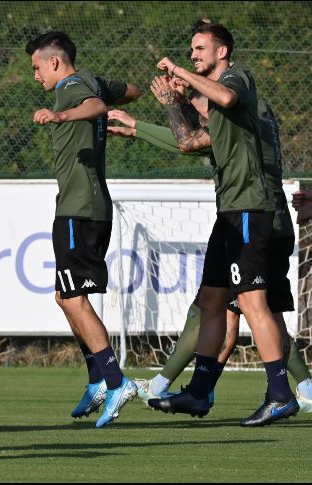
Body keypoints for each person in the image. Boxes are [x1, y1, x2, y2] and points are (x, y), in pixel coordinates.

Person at [109, 96, 312, 412]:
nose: (198, 106)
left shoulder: (239, 121)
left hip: (253, 226)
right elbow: (192, 139)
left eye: (200, 99)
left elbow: (188, 143)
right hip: (264, 225)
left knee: (233, 311)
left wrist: (142, 124)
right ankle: (285, 389)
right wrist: (142, 127)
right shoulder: (245, 121)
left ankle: (194, 390)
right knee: (249, 312)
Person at [148, 22, 298, 426]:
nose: (194, 54)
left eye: (200, 48)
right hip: (229, 211)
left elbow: (227, 95)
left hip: (251, 207)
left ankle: (282, 394)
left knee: (252, 302)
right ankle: (199, 393)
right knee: (213, 301)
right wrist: (174, 102)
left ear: (223, 52)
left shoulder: (237, 78)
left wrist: (180, 72)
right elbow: (188, 140)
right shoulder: (215, 104)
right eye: (191, 49)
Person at [25, 31, 141, 428]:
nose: (36, 76)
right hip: (82, 207)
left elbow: (95, 106)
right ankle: (96, 381)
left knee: (74, 299)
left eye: (37, 67)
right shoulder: (89, 78)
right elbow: (131, 90)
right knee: (64, 295)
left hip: (80, 210)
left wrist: (61, 115)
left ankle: (115, 380)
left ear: (54, 62)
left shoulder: (73, 86)